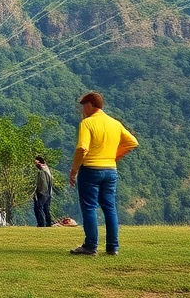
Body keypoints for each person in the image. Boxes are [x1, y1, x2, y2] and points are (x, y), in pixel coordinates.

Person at [68, 91, 139, 256]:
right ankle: (113, 247)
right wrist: (115, 156)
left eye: (83, 106)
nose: (82, 110)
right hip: (110, 170)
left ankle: (90, 246)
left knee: (89, 208)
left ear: (90, 105)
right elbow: (132, 142)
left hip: (91, 170)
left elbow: (82, 148)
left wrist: (74, 170)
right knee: (109, 208)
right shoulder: (115, 123)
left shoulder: (87, 123)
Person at [32, 156, 54, 228]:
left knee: (38, 207)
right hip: (48, 193)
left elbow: (43, 184)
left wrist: (39, 193)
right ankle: (48, 223)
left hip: (43, 193)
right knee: (46, 209)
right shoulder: (47, 170)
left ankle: (41, 224)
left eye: (37, 163)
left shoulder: (43, 171)